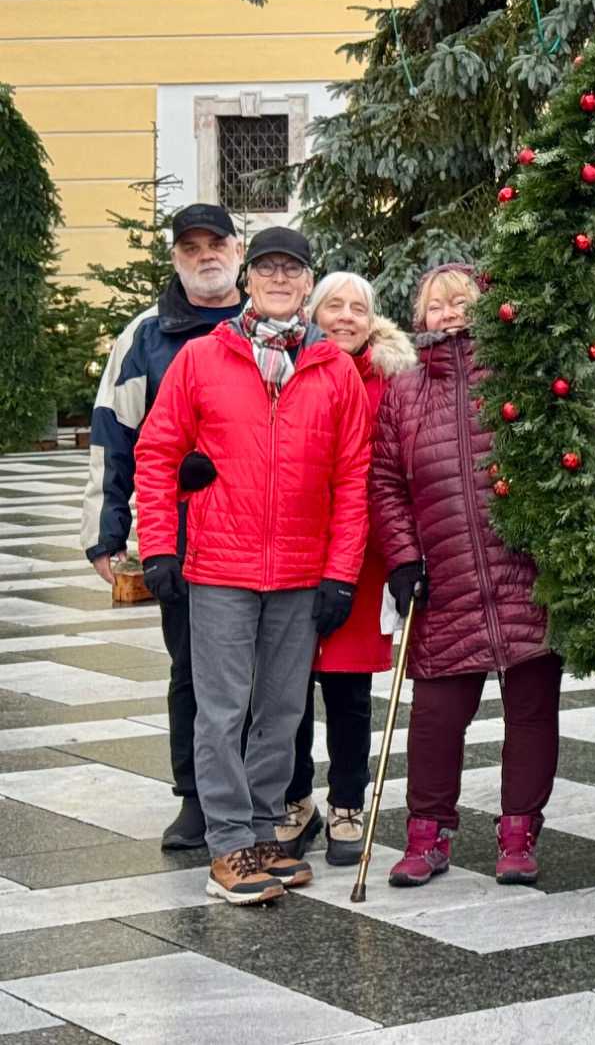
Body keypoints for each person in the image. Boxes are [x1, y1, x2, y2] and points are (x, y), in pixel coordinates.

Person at [133, 226, 369, 905]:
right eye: (267, 268)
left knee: (282, 710)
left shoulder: (334, 370)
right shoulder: (204, 358)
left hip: (300, 571)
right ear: (249, 278)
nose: (278, 279)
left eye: (291, 270)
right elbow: (157, 453)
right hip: (220, 568)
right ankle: (229, 845)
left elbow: (352, 478)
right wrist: (159, 546)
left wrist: (341, 572)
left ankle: (265, 833)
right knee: (222, 711)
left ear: (307, 281)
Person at [370, 264, 562, 888]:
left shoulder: (520, 376)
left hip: (524, 574)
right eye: (436, 305)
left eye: (461, 302)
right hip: (444, 579)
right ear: (418, 318)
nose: (449, 313)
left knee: (531, 710)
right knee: (436, 717)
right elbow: (386, 484)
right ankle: (426, 835)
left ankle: (519, 833)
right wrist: (402, 558)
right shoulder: (403, 392)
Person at [80, 203, 245, 851]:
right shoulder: (145, 336)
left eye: (216, 244)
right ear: (175, 257)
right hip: (183, 537)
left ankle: (277, 795)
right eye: (191, 247)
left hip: (268, 532)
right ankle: (197, 799)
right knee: (194, 672)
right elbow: (112, 433)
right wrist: (107, 532)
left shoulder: (272, 323)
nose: (206, 256)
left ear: (237, 250)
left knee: (275, 674)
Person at [276, 271, 414, 866]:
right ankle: (294, 798)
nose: (346, 317)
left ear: (373, 320)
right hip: (296, 550)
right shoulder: (288, 367)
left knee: (349, 690)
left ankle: (348, 804)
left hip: (363, 556)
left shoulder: (393, 380)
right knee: (289, 688)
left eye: (359, 308)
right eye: (334, 306)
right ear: (312, 312)